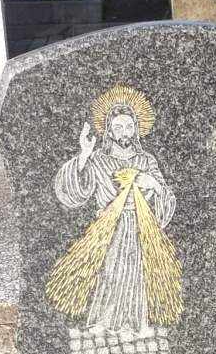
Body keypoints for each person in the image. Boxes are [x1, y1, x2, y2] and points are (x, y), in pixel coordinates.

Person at [51, 86, 179, 339]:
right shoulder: (98, 159)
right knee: (110, 271)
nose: (124, 132)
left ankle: (135, 323)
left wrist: (152, 184)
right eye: (118, 127)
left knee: (137, 274)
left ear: (137, 129)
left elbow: (165, 196)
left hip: (140, 225)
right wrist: (84, 155)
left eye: (129, 126)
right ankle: (104, 321)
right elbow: (74, 192)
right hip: (109, 227)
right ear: (108, 131)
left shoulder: (146, 161)